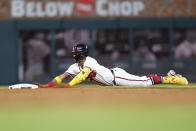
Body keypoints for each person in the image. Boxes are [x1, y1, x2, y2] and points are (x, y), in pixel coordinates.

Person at [34, 44, 188, 88]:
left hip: (117, 77)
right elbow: (61, 77)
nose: (73, 54)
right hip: (112, 79)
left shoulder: (90, 61)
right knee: (143, 81)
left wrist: (70, 85)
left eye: (76, 52)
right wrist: (47, 85)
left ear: (81, 54)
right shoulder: (74, 66)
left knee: (145, 82)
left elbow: (82, 76)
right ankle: (170, 76)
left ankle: (172, 78)